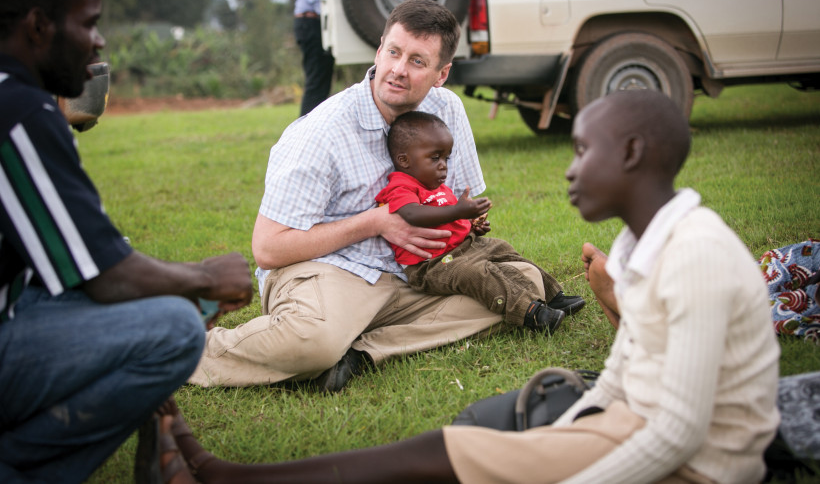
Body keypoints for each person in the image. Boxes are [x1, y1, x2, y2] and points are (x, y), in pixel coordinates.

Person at [160, 90, 780, 483]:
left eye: (583, 149)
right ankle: (216, 453)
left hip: (697, 467)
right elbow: (624, 375)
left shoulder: (694, 253)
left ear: (634, 153)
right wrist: (572, 429)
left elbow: (680, 435)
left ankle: (224, 475)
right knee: (449, 448)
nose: (568, 168)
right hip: (628, 426)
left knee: (499, 323)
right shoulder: (636, 243)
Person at [188, 0, 570, 392]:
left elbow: (456, 199)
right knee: (313, 341)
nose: (399, 70)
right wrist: (376, 222)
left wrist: (468, 224)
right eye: (394, 52)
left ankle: (361, 353)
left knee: (522, 284)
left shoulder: (448, 110)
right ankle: (185, 350)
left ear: (442, 74)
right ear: (379, 50)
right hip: (331, 270)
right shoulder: (321, 132)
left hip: (421, 272)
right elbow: (268, 250)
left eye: (418, 61)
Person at [0, 0, 254, 482]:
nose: (98, 40)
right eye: (88, 23)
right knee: (175, 329)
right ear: (40, 26)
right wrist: (205, 278)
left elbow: (69, 260)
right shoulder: (18, 112)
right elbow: (106, 277)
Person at [376, 110, 584, 334]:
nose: (443, 165)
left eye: (446, 157)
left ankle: (552, 295)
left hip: (464, 246)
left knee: (501, 247)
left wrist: (471, 224)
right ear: (404, 160)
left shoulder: (436, 186)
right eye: (435, 158)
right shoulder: (400, 186)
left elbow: (448, 220)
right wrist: (457, 211)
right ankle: (530, 312)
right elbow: (412, 214)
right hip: (431, 265)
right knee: (474, 273)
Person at [288, 0, 334, 116]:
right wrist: (327, 15)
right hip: (312, 21)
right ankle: (306, 135)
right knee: (316, 86)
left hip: (310, 21)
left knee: (319, 85)